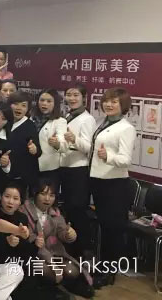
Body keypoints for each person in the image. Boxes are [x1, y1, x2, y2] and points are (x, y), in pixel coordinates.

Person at [86, 87, 135, 288]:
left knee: (112, 230)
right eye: (106, 101)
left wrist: (109, 157)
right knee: (104, 227)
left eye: (114, 102)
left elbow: (126, 159)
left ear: (123, 105)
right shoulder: (102, 122)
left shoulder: (126, 128)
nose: (109, 104)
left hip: (115, 185)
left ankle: (109, 272)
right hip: (99, 181)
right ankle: (102, 267)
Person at [20, 178, 93, 297]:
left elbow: (62, 232)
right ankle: (50, 289)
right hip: (34, 255)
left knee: (72, 271)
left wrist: (69, 235)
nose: (47, 199)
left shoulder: (55, 212)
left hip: (54, 253)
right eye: (43, 194)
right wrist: (53, 265)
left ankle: (65, 285)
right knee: (47, 271)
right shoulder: (24, 211)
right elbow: (31, 239)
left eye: (51, 195)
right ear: (35, 193)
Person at [0, 183, 49, 300]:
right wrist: (6, 242)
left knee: (32, 270)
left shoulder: (22, 217)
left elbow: (25, 248)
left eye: (15, 198)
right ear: (0, 197)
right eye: (7, 196)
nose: (10, 202)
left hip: (19, 260)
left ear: (20, 202)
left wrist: (36, 245)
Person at [60, 84, 95, 258]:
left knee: (78, 212)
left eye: (76, 95)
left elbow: (89, 148)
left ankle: (83, 252)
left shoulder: (87, 119)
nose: (72, 98)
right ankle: (71, 250)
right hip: (66, 169)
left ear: (84, 98)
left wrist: (74, 140)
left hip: (79, 171)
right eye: (69, 94)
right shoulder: (68, 116)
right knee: (69, 210)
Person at [7, 91, 41, 196]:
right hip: (3, 173)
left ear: (28, 109)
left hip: (21, 177)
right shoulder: (4, 122)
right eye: (15, 104)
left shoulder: (30, 126)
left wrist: (34, 149)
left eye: (23, 105)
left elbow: (38, 151)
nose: (19, 108)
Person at [32, 89, 66, 191]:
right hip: (31, 167)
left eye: (49, 101)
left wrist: (57, 144)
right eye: (42, 100)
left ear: (55, 104)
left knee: (48, 197)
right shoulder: (31, 119)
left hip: (49, 170)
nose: (44, 103)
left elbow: (63, 145)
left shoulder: (59, 121)